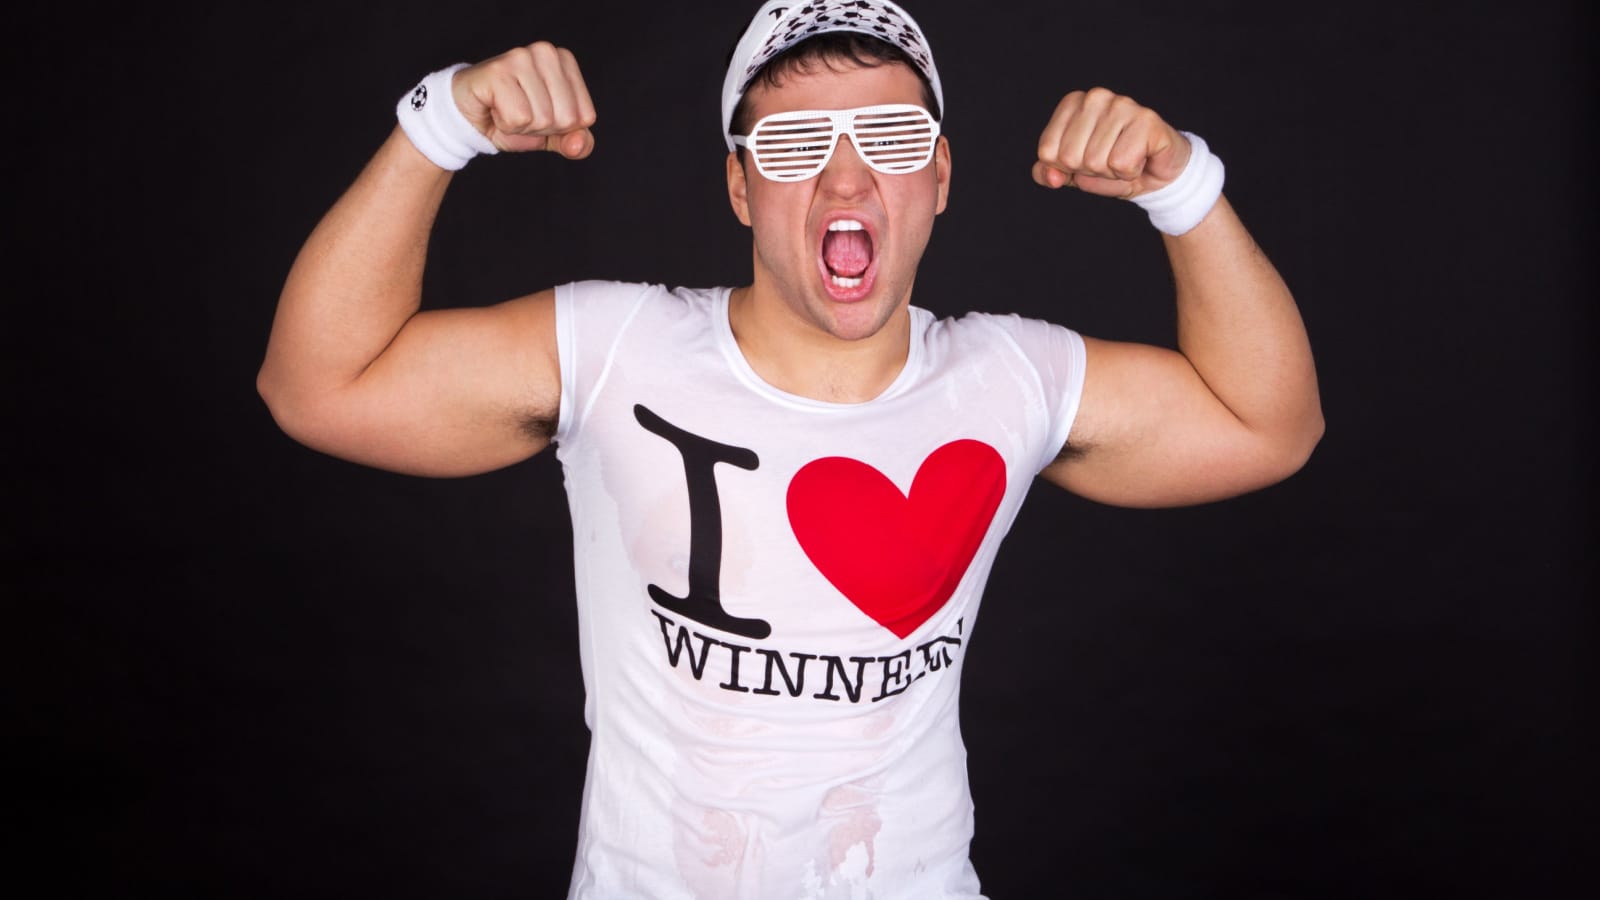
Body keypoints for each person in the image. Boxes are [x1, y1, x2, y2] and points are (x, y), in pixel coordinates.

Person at [258, 0, 1323, 896]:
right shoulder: (614, 347)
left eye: (892, 142)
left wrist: (1183, 191)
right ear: (739, 188)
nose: (847, 183)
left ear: (940, 177)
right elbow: (319, 389)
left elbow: (1267, 426)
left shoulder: (1010, 378)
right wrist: (439, 125)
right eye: (795, 146)